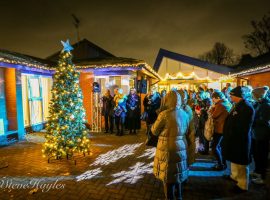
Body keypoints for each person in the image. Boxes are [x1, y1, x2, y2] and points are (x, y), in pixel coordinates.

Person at [151, 90, 195, 200]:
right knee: (178, 174)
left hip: (167, 148)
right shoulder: (185, 114)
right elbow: (187, 130)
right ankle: (179, 196)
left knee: (168, 176)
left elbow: (154, 131)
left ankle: (169, 198)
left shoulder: (164, 114)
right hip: (181, 145)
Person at [222, 86, 255, 193]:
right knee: (234, 159)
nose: (230, 97)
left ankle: (242, 185)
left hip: (240, 140)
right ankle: (234, 177)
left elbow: (243, 127)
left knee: (241, 163)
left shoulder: (246, 108)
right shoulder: (238, 105)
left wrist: (232, 134)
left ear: (237, 96)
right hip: (234, 139)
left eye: (231, 95)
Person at [251, 86, 270, 185]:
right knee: (256, 154)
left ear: (258, 96)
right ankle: (257, 171)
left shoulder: (266, 106)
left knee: (262, 156)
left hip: (262, 135)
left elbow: (264, 121)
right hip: (256, 133)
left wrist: (252, 121)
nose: (252, 97)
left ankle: (262, 177)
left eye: (253, 95)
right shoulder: (258, 104)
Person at [209, 90, 232, 170]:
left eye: (213, 98)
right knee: (220, 147)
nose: (212, 100)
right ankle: (222, 163)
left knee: (215, 147)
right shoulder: (227, 102)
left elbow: (213, 115)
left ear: (218, 98)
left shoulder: (220, 105)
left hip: (219, 128)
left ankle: (220, 164)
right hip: (224, 128)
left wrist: (212, 108)